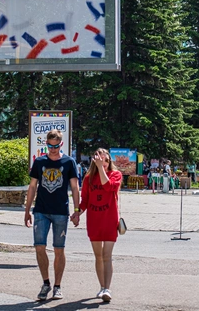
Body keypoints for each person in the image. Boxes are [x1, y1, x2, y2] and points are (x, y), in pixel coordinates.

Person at [25, 129, 80, 301]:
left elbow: (75, 187)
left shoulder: (69, 162)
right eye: (50, 146)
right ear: (46, 144)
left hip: (61, 211)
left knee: (59, 249)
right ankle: (46, 283)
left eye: (56, 146)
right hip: (41, 210)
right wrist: (27, 210)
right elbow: (32, 186)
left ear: (61, 144)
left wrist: (77, 211)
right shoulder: (40, 162)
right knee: (39, 247)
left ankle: (57, 286)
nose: (53, 149)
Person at [71, 148, 122, 303]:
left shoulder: (116, 174)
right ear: (94, 160)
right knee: (98, 256)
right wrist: (77, 213)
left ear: (109, 161)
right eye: (100, 160)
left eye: (106, 160)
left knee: (107, 255)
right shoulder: (88, 178)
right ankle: (102, 287)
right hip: (94, 221)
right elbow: (85, 200)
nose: (103, 163)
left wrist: (101, 169)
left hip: (110, 220)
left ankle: (107, 289)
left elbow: (108, 186)